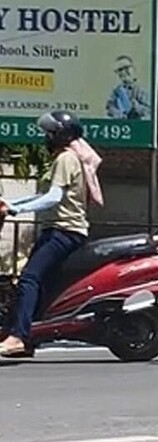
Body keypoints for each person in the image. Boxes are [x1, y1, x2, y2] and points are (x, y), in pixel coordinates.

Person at [0, 110, 103, 358]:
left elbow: (53, 198)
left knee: (28, 279)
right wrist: (11, 204)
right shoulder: (66, 158)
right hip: (59, 230)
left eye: (49, 133)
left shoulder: (66, 159)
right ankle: (31, 335)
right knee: (41, 283)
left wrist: (16, 208)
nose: (45, 137)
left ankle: (18, 338)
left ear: (61, 135)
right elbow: (43, 197)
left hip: (64, 231)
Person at [105, 55, 151, 120]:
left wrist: (136, 107)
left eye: (126, 68)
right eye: (120, 70)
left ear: (133, 68)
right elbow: (109, 108)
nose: (123, 72)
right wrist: (118, 114)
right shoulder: (116, 91)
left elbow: (150, 111)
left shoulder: (142, 89)